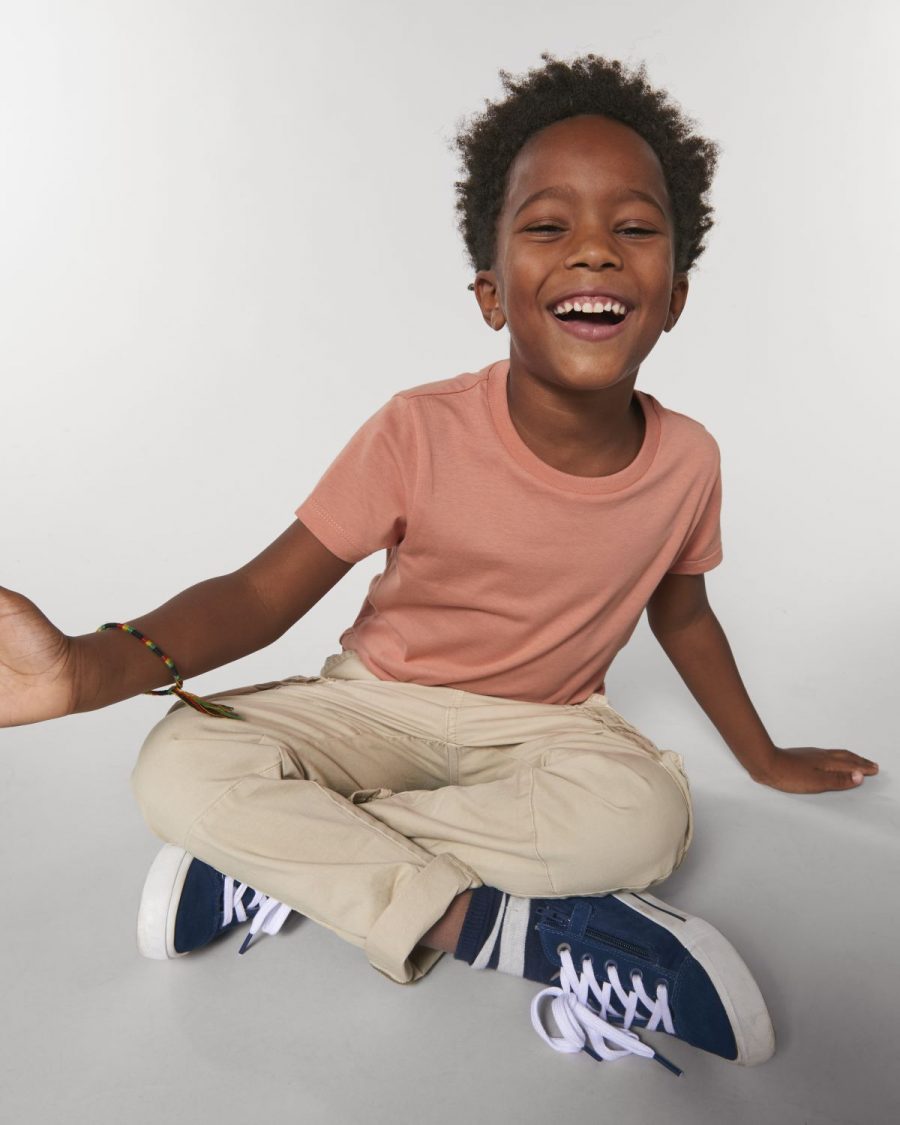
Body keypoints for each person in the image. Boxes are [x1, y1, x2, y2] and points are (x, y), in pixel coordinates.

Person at [0, 52, 879, 1077]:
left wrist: (764, 758)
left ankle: (286, 860)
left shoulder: (689, 460)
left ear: (674, 296)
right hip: (375, 703)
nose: (594, 249)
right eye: (548, 227)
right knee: (175, 762)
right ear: (491, 295)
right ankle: (492, 926)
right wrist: (86, 669)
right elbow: (260, 593)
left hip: (545, 727)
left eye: (635, 229)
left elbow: (683, 615)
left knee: (646, 820)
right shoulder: (417, 430)